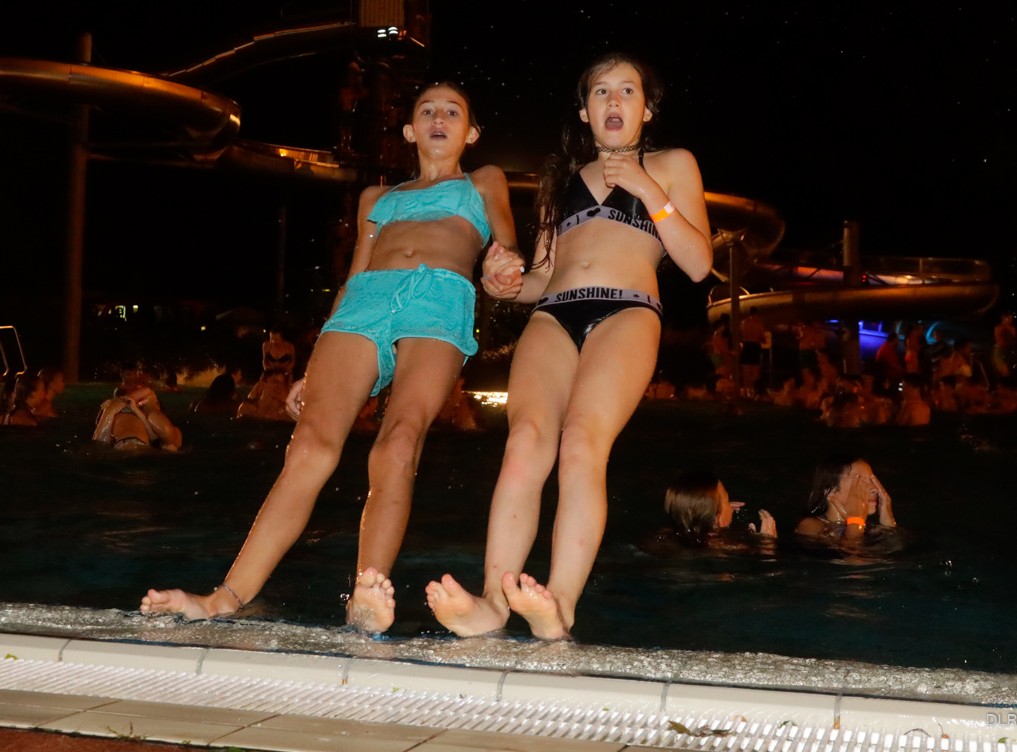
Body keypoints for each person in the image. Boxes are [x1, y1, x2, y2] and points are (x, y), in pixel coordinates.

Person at [141, 82, 520, 632]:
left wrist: (504, 266)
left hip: (438, 299)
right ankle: (224, 597)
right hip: (363, 305)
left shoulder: (483, 182)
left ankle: (367, 594)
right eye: (427, 110)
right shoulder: (375, 198)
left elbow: (505, 245)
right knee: (308, 447)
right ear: (409, 130)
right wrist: (311, 365)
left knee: (398, 443)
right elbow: (352, 278)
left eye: (452, 111)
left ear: (472, 133)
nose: (439, 118)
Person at [428, 54, 711, 640]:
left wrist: (646, 188)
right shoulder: (560, 182)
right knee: (524, 442)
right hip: (554, 314)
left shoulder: (672, 165)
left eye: (627, 90)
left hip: (626, 311)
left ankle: (559, 604)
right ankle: (492, 603)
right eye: (600, 92)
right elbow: (542, 274)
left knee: (582, 442)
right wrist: (504, 283)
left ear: (647, 109)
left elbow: (697, 263)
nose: (614, 100)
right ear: (584, 111)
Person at [663, 471, 776, 543]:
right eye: (726, 500)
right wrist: (768, 545)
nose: (729, 505)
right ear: (717, 518)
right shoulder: (725, 549)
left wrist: (721, 510)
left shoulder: (669, 538)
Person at [794, 459, 896, 537]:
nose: (874, 489)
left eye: (873, 481)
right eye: (861, 482)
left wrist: (888, 523)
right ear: (831, 491)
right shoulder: (810, 525)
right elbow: (852, 556)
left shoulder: (870, 529)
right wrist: (856, 521)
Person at [235, 329, 297, 421]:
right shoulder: (248, 410)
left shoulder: (286, 414)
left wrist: (287, 400)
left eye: (282, 384)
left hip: (286, 372)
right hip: (268, 373)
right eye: (275, 382)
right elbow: (264, 361)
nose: (279, 386)